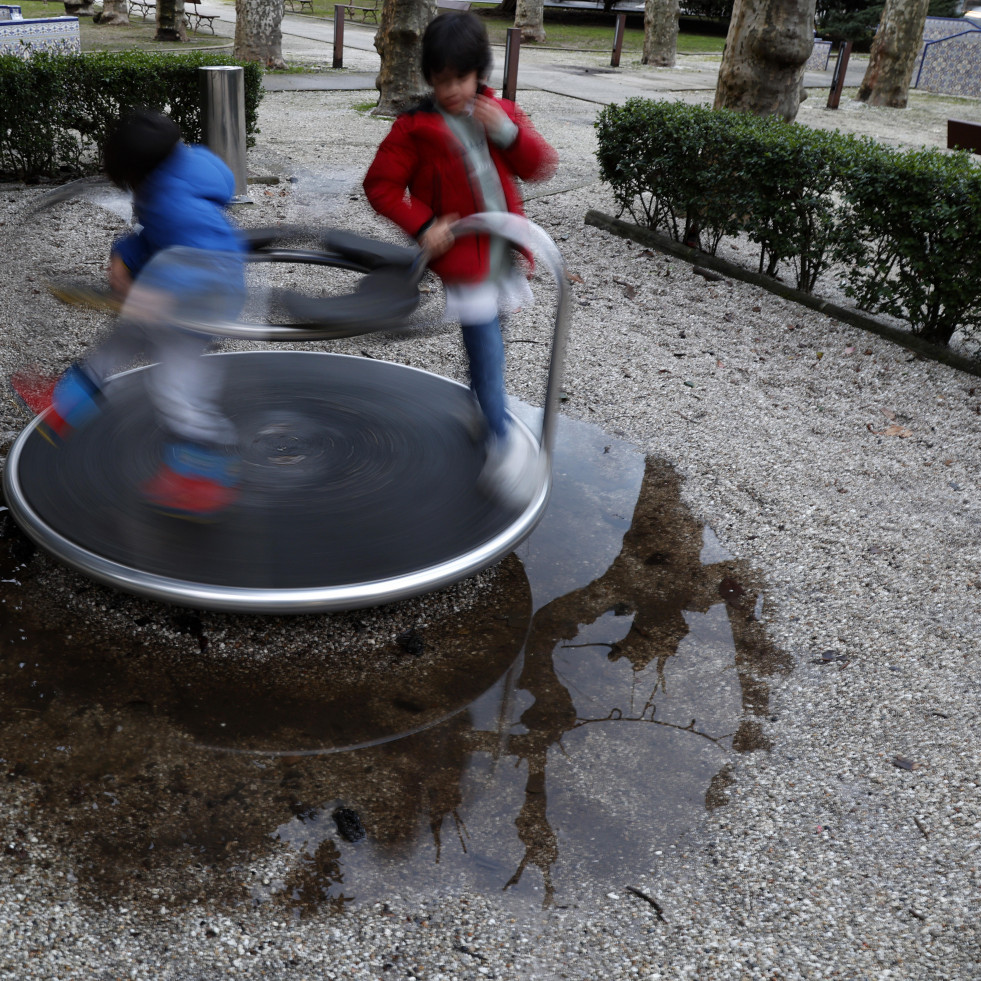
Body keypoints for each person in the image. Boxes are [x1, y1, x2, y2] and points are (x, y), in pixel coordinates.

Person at [363, 11, 558, 508]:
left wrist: (509, 135)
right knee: (489, 351)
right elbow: (381, 185)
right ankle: (499, 439)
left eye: (462, 78)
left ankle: (482, 407)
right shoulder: (415, 127)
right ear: (429, 77)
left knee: (492, 344)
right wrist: (425, 224)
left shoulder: (499, 113)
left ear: (480, 74)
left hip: (500, 255)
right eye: (442, 80)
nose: (452, 90)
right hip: (463, 262)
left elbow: (539, 165)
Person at [12, 109, 247, 519]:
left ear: (136, 175)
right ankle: (66, 402)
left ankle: (206, 470)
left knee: (175, 383)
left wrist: (161, 298)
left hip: (200, 301)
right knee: (120, 342)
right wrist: (125, 256)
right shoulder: (181, 169)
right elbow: (158, 236)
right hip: (171, 282)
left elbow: (212, 256)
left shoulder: (173, 203)